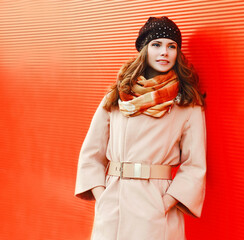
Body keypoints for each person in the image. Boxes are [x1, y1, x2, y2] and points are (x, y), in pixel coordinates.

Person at [74, 16, 207, 240]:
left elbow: (195, 165)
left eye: (171, 46)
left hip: (155, 205)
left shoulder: (187, 103)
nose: (164, 52)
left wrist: (163, 203)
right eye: (156, 44)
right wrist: (104, 196)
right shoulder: (117, 96)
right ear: (144, 49)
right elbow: (91, 154)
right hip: (113, 204)